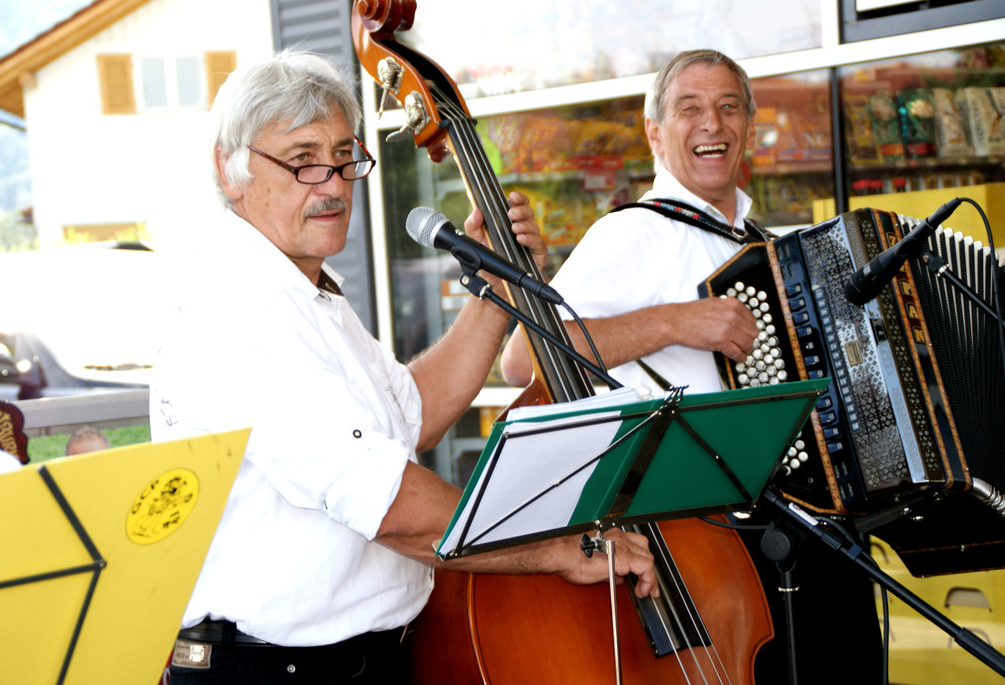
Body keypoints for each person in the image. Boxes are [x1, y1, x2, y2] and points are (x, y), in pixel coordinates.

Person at [149, 49, 658, 685]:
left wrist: (496, 286)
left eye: (343, 157)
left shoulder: (307, 295)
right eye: (303, 160)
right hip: (273, 671)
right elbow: (387, 503)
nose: (333, 185)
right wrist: (559, 546)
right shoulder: (237, 309)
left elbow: (412, 412)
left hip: (353, 661)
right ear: (231, 171)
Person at [501, 49, 884, 684]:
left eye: (729, 107)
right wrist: (675, 323)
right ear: (655, 132)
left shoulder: (765, 244)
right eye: (690, 109)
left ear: (749, 127)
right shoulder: (634, 232)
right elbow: (524, 358)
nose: (713, 123)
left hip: (811, 532)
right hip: (719, 540)